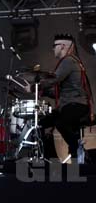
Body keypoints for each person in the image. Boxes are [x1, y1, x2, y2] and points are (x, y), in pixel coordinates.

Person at [23, 33, 94, 162]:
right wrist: (40, 92)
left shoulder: (68, 61)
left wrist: (34, 87)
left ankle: (76, 146)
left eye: (54, 46)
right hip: (68, 104)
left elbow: (54, 79)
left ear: (62, 46)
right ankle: (46, 156)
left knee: (61, 122)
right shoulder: (70, 61)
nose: (53, 49)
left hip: (77, 105)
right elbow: (59, 92)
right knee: (40, 124)